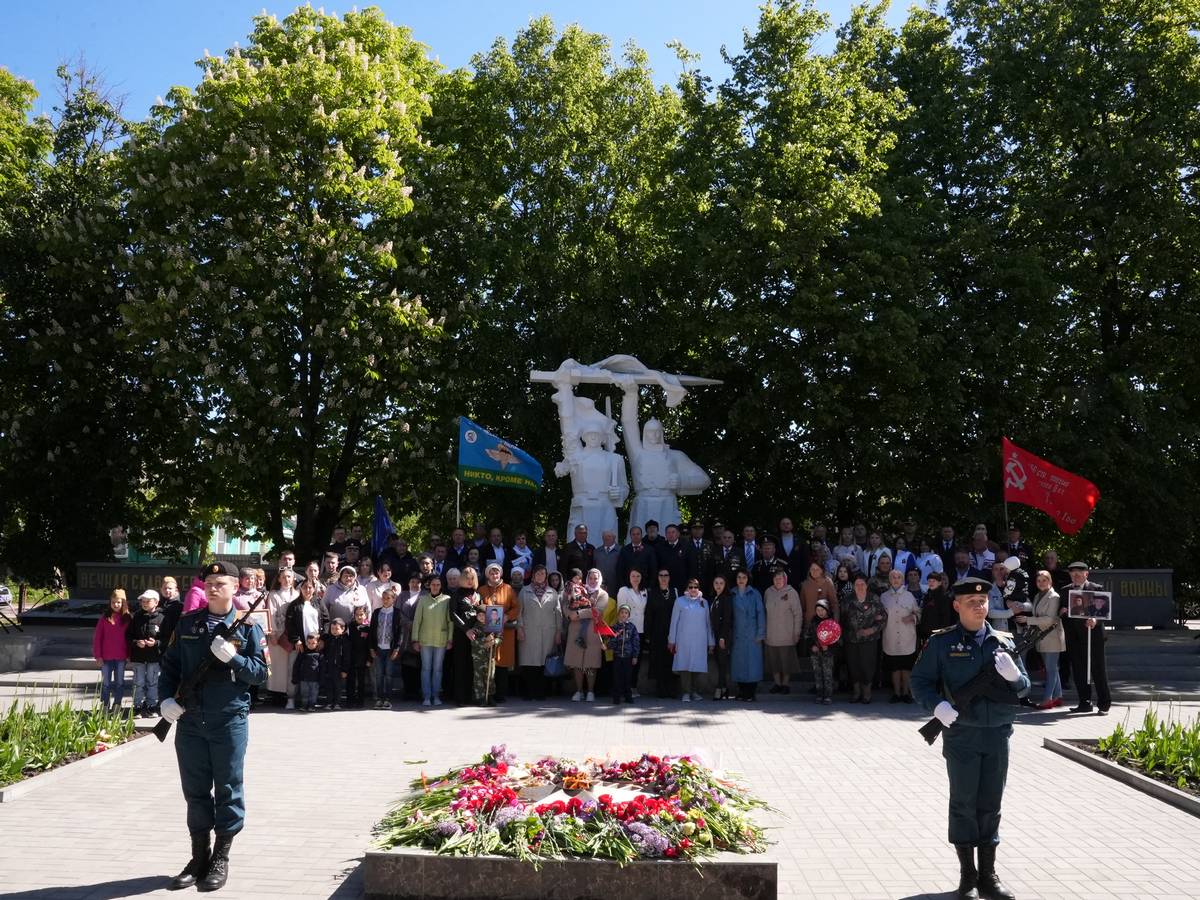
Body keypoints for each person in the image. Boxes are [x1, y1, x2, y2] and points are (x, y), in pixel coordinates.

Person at [911, 576, 1030, 900]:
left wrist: (1016, 677)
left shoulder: (1004, 641)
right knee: (964, 803)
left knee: (991, 804)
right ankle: (968, 876)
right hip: (962, 735)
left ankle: (989, 876)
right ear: (957, 605)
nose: (979, 607)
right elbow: (919, 682)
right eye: (972, 602)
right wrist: (937, 706)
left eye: (984, 601)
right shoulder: (941, 643)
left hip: (997, 734)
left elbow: (1026, 688)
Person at [157, 560, 268, 892]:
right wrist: (166, 700)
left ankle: (221, 858)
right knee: (195, 792)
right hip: (190, 721)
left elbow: (260, 674)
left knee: (228, 790)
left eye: (220, 583)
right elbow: (171, 667)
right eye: (209, 583)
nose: (212, 587)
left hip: (228, 720)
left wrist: (233, 659)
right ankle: (198, 857)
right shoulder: (189, 624)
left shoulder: (248, 628)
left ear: (236, 588)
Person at [1063, 561, 1111, 714]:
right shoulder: (1066, 591)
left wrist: (1096, 620)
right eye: (1073, 574)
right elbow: (1061, 612)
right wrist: (1062, 611)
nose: (1075, 576)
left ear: (1086, 574)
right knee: (1079, 671)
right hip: (1074, 637)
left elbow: (1104, 610)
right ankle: (1084, 702)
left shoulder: (1096, 589)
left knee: (1098, 670)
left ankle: (1104, 704)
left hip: (1094, 636)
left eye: (1079, 573)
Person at [516, 565, 562, 702]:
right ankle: (529, 693)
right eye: (538, 573)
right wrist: (520, 628)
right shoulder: (525, 591)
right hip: (529, 631)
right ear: (533, 575)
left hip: (548, 631)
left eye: (543, 573)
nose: (541, 576)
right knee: (530, 662)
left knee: (544, 662)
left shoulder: (552, 592)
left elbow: (558, 614)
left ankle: (541, 693)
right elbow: (519, 612)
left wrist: (559, 631)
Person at [479, 562, 520, 704]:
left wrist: (507, 616)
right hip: (487, 631)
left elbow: (516, 607)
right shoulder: (482, 590)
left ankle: (501, 694)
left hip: (505, 631)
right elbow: (478, 606)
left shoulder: (508, 589)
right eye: (491, 573)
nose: (494, 575)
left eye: (496, 573)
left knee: (502, 662)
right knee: (489, 661)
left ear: (500, 574)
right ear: (487, 575)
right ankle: (488, 693)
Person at [563, 569, 607, 701]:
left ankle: (590, 691)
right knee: (577, 662)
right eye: (591, 578)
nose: (593, 581)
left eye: (595, 578)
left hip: (592, 631)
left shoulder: (602, 594)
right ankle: (579, 690)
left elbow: (597, 611)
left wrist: (578, 614)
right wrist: (568, 614)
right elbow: (566, 603)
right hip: (575, 629)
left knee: (590, 663)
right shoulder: (578, 588)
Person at [668, 578, 715, 701]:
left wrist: (711, 642)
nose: (693, 589)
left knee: (697, 666)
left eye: (695, 587)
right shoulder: (680, 601)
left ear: (698, 588)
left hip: (700, 640)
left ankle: (694, 691)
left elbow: (708, 623)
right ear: (687, 588)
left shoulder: (704, 602)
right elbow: (674, 622)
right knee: (684, 666)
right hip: (683, 640)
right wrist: (672, 639)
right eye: (690, 587)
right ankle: (686, 692)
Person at [1024, 570, 1065, 709]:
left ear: (1050, 581)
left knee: (1051, 670)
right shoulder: (1037, 596)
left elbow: (1050, 619)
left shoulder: (1054, 596)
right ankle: (1058, 697)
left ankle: (1048, 699)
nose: (1041, 583)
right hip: (1042, 637)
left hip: (1052, 637)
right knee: (1053, 669)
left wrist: (1028, 620)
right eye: (1039, 581)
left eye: (1044, 580)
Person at [843, 573, 887, 703]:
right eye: (857, 584)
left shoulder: (874, 599)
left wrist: (871, 630)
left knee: (867, 665)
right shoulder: (847, 600)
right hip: (851, 639)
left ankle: (867, 692)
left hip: (869, 640)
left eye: (862, 584)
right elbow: (843, 619)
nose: (860, 587)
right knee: (853, 665)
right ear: (854, 586)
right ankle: (856, 692)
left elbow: (883, 618)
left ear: (867, 585)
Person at [410, 573, 453, 706]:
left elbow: (450, 621)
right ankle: (427, 696)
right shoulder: (423, 600)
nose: (435, 587)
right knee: (426, 669)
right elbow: (417, 620)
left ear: (441, 586)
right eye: (433, 584)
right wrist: (415, 639)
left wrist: (450, 639)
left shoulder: (447, 599)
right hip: (425, 640)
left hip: (441, 640)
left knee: (438, 669)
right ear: (429, 586)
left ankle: (436, 696)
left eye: (438, 585)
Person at [880, 568, 921, 703]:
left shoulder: (909, 596)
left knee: (907, 668)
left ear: (902, 580)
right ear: (889, 580)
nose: (896, 580)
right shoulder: (884, 597)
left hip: (907, 637)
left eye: (898, 577)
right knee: (895, 668)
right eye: (893, 577)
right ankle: (897, 693)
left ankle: (906, 693)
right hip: (891, 636)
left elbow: (919, 613)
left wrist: (913, 617)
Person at [763, 569, 802, 694]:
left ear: (785, 579)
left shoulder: (792, 592)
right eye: (775, 578)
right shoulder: (768, 592)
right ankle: (777, 683)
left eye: (780, 578)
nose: (778, 581)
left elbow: (798, 614)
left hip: (787, 634)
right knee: (774, 661)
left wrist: (797, 632)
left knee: (786, 661)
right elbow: (764, 612)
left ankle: (785, 684)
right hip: (771, 634)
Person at [127, 588, 165, 716]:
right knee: (138, 682)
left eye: (148, 601)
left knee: (152, 681)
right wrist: (136, 642)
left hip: (154, 657)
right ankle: (137, 705)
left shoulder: (162, 618)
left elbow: (167, 638)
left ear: (156, 602)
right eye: (142, 601)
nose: (144, 603)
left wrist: (156, 643)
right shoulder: (136, 616)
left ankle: (151, 705)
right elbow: (128, 636)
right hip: (138, 657)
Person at [448, 567, 483, 705]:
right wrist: (466, 629)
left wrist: (475, 630)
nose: (469, 581)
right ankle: (460, 698)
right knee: (460, 665)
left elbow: (482, 615)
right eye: (467, 578)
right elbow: (453, 614)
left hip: (476, 634)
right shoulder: (456, 594)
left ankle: (471, 696)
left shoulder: (478, 595)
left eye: (472, 578)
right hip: (461, 634)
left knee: (472, 665)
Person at [730, 570, 766, 701]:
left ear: (748, 579)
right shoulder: (732, 593)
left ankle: (751, 693)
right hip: (737, 633)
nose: (741, 580)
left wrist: (760, 633)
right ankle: (741, 691)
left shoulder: (755, 593)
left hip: (752, 632)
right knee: (738, 663)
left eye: (744, 577)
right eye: (739, 577)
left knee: (752, 664)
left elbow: (760, 613)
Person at [93, 588, 131, 711]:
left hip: (121, 657)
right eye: (113, 602)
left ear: (123, 603)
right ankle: (105, 704)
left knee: (120, 682)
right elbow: (97, 638)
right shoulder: (105, 618)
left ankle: (117, 704)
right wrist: (98, 656)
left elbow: (130, 638)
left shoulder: (127, 619)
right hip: (106, 657)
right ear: (110, 603)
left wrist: (129, 654)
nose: (116, 605)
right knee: (106, 683)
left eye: (119, 602)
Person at [644, 568, 679, 698]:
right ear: (657, 577)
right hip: (657, 632)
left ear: (669, 577)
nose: (664, 577)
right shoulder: (652, 593)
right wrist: (648, 634)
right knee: (659, 660)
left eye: (666, 575)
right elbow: (648, 614)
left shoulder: (675, 592)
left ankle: (672, 690)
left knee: (671, 660)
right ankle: (661, 690)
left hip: (672, 632)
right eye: (661, 575)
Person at [266, 567, 298, 704]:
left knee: (290, 666)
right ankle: (275, 694)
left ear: (293, 579)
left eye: (289, 577)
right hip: (278, 634)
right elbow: (271, 614)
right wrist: (272, 633)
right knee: (277, 666)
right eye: (284, 577)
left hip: (292, 634)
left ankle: (289, 694)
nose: (287, 580)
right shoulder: (273, 594)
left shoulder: (297, 594)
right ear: (279, 579)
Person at [616, 568, 649, 696]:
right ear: (629, 577)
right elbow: (621, 611)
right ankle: (625, 687)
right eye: (633, 576)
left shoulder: (644, 591)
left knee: (637, 659)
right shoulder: (624, 590)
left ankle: (633, 686)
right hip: (628, 629)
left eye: (638, 576)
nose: (635, 578)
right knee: (627, 660)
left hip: (640, 630)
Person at [369, 585, 403, 709]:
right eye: (383, 598)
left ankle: (387, 699)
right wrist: (372, 648)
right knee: (379, 674)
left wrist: (397, 648)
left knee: (389, 674)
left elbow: (400, 632)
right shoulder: (377, 612)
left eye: (388, 598)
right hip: (378, 648)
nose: (385, 600)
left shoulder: (397, 613)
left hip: (390, 649)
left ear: (393, 599)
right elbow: (372, 630)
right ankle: (379, 698)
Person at [609, 604, 640, 703]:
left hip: (628, 656)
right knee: (617, 677)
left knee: (627, 677)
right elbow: (611, 641)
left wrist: (635, 656)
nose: (623, 614)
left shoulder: (632, 627)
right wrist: (608, 646)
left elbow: (635, 642)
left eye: (626, 613)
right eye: (622, 612)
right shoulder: (615, 627)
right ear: (618, 614)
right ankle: (616, 697)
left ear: (628, 615)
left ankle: (628, 696)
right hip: (617, 656)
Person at [808, 598, 838, 704]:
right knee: (818, 674)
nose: (820, 612)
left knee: (827, 673)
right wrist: (812, 646)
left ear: (827, 610)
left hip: (828, 653)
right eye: (818, 610)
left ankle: (828, 695)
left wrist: (828, 647)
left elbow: (836, 637)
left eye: (822, 610)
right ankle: (819, 694)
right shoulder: (813, 621)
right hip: (816, 652)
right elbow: (808, 635)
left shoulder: (832, 622)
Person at [709, 573, 733, 699]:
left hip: (722, 636)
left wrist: (723, 637)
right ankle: (724, 688)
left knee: (722, 663)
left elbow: (727, 620)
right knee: (719, 662)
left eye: (721, 583)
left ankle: (719, 688)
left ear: (725, 585)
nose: (718, 586)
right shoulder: (713, 598)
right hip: (714, 634)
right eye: (716, 583)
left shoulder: (726, 599)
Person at [322, 616, 352, 710]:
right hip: (329, 667)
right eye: (332, 629)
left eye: (337, 629)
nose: (334, 631)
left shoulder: (345, 641)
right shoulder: (328, 639)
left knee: (338, 687)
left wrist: (345, 670)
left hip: (339, 668)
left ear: (343, 629)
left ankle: (337, 703)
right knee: (329, 686)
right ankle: (329, 703)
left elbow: (347, 657)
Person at [918, 572, 956, 645]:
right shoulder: (927, 596)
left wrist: (941, 633)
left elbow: (946, 618)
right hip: (926, 634)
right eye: (929, 581)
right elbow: (924, 615)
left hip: (939, 635)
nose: (931, 583)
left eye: (933, 581)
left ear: (939, 583)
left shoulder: (944, 597)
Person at [291, 634, 325, 711]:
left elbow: (323, 668)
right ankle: (304, 705)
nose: (311, 645)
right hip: (304, 678)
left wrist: (321, 679)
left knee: (314, 694)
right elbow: (296, 665)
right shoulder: (303, 653)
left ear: (317, 643)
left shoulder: (320, 654)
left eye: (313, 643)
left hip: (315, 679)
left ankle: (312, 706)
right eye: (308, 643)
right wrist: (295, 677)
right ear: (306, 643)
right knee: (304, 693)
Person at [346, 608, 372, 708]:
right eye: (357, 615)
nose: (359, 617)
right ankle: (350, 700)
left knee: (361, 681)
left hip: (363, 658)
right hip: (351, 657)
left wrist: (370, 659)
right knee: (351, 680)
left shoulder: (368, 627)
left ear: (365, 615)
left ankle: (360, 701)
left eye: (361, 614)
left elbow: (370, 644)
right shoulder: (350, 626)